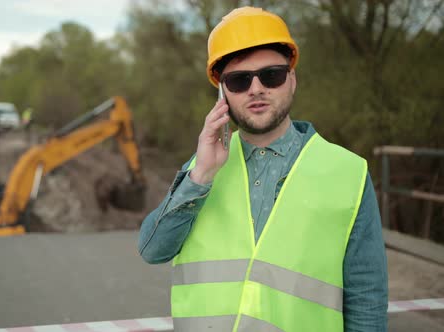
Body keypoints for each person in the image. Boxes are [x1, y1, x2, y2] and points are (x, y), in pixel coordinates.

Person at [138, 6, 388, 332]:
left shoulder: (348, 173)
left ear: (292, 79)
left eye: (271, 75)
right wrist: (200, 175)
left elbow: (366, 297)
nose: (256, 89)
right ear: (222, 92)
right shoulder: (204, 168)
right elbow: (151, 250)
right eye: (239, 81)